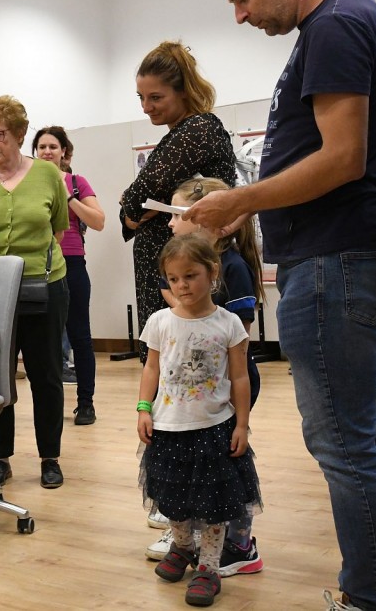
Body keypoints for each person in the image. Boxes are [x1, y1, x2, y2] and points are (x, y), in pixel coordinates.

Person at [186, 0, 376, 607]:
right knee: (367, 439)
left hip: (334, 261)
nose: (240, 16)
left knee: (343, 445)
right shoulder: (343, 20)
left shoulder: (335, 24)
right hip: (342, 260)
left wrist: (239, 201)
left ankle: (367, 597)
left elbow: (343, 158)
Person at [145, 177, 265, 575]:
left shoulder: (231, 284)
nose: (180, 285)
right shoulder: (164, 310)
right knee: (181, 478)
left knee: (222, 480)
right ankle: (184, 541)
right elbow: (154, 364)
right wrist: (145, 407)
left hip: (219, 402)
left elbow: (238, 359)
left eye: (176, 213)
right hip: (177, 410)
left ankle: (229, 551)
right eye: (174, 279)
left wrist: (240, 420)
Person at [0, 95, 69, 489]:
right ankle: (0, 457)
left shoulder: (48, 174)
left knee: (46, 374)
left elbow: (58, 229)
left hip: (45, 284)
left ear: (20, 134)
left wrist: (31, 265)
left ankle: (50, 457)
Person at [119, 42, 236, 364]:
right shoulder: (183, 133)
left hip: (186, 267)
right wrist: (139, 205)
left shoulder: (196, 130)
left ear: (183, 91)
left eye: (156, 98)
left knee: (184, 367)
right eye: (141, 98)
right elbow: (139, 201)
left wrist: (134, 207)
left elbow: (133, 203)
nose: (146, 107)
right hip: (175, 267)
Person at [33, 126, 105, 425]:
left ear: (64, 152)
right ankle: (51, 405)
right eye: (42, 147)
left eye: (53, 146)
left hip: (72, 264)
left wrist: (69, 198)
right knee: (45, 341)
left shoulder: (76, 182)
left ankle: (86, 403)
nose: (47, 152)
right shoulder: (29, 183)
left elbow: (98, 221)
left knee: (80, 336)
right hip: (40, 267)